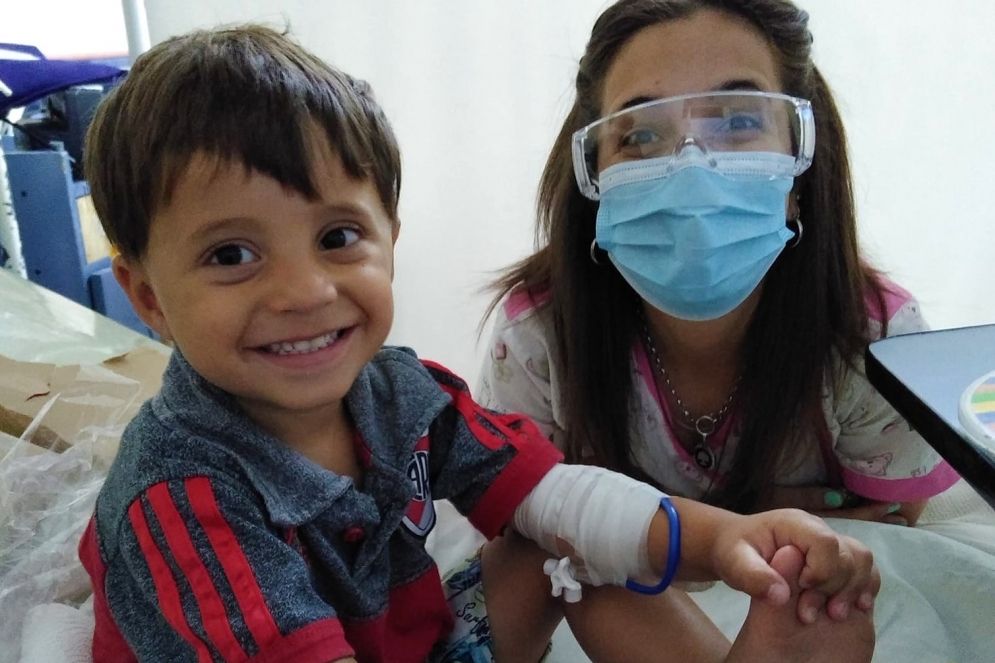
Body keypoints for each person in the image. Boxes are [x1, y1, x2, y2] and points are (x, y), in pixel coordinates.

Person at [77, 24, 879, 663]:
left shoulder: (404, 392)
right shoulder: (181, 500)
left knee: (562, 542)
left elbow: (557, 495)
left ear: (390, 239)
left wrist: (727, 538)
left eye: (337, 236)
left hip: (411, 638)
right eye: (231, 254)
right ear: (147, 297)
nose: (306, 291)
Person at [479, 0, 960, 528]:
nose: (692, 172)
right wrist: (726, 522)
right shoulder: (537, 341)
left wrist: (622, 524)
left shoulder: (875, 341)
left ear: (800, 166)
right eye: (641, 135)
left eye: (740, 121)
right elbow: (514, 531)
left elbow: (891, 523)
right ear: (593, 176)